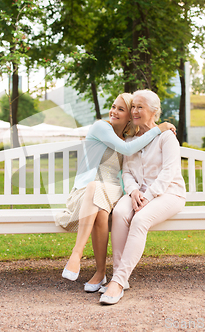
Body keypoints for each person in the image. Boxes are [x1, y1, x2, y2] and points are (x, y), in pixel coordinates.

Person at [55, 93, 176, 293]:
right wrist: (159, 129)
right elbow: (126, 150)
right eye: (113, 106)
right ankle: (93, 267)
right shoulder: (101, 127)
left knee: (99, 194)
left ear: (130, 116)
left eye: (121, 109)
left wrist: (158, 130)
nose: (113, 111)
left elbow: (131, 154)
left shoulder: (129, 138)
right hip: (85, 191)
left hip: (112, 191)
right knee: (98, 200)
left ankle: (89, 263)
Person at [99, 90, 186, 305]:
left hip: (169, 193)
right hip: (140, 194)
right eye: (133, 106)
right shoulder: (132, 140)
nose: (135, 111)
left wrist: (147, 196)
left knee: (139, 219)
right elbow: (127, 172)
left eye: (140, 107)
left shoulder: (167, 137)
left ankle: (118, 282)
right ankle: (120, 275)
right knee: (119, 212)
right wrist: (133, 191)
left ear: (154, 112)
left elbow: (168, 172)